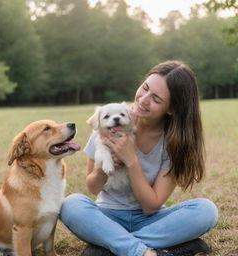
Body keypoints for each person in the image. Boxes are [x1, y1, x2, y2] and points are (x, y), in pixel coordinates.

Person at [60, 60, 218, 256]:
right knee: (71, 205)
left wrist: (131, 160)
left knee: (206, 211)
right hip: (107, 215)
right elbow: (93, 187)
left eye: (156, 99)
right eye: (145, 88)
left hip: (149, 219)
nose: (143, 99)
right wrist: (104, 167)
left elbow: (151, 206)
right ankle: (148, 251)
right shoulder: (109, 121)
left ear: (171, 109)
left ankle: (111, 246)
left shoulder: (174, 142)